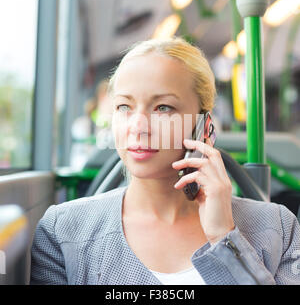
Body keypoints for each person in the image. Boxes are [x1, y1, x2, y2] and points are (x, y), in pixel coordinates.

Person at [30, 37, 300, 285]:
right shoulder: (64, 231)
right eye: (124, 106)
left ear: (204, 126)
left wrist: (224, 239)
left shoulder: (277, 228)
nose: (138, 126)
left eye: (163, 108)